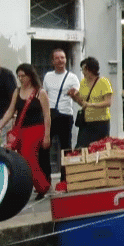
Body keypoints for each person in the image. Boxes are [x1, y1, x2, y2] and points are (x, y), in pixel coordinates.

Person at [0, 64, 51, 199]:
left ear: (30, 76)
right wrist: (0, 126)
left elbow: (47, 115)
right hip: (21, 130)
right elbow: (10, 111)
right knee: (20, 159)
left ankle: (42, 186)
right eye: (18, 76)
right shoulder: (17, 91)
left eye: (23, 76)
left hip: (36, 129)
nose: (20, 79)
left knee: (28, 156)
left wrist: (47, 136)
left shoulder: (40, 92)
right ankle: (26, 186)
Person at [42, 48, 79, 183]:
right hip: (50, 115)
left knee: (66, 149)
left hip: (65, 116)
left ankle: (65, 180)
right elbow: (44, 95)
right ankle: (46, 181)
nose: (60, 60)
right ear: (52, 61)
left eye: (62, 58)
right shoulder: (48, 76)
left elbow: (77, 96)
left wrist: (74, 94)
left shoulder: (72, 77)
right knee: (45, 147)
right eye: (57, 58)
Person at [69, 57, 113, 149]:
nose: (83, 72)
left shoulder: (104, 82)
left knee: (99, 148)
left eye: (84, 69)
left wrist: (91, 105)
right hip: (86, 122)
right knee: (80, 147)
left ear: (90, 69)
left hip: (101, 122)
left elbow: (108, 102)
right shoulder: (83, 83)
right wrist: (74, 97)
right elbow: (82, 103)